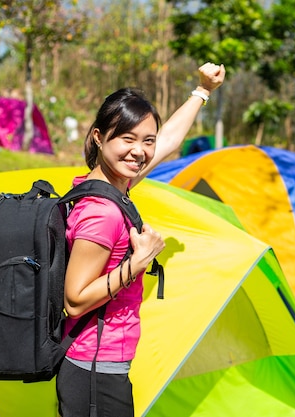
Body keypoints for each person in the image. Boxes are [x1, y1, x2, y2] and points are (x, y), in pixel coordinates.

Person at [56, 62, 226, 417]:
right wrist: (138, 263)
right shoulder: (102, 212)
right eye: (127, 139)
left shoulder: (111, 187)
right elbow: (74, 300)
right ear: (99, 137)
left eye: (145, 140)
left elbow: (167, 142)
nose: (139, 151)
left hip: (99, 367)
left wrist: (202, 91)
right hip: (94, 370)